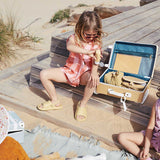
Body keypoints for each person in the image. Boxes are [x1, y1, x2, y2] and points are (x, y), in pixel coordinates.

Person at [37, 11, 104, 122]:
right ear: (80, 29)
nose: (91, 38)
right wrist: (87, 52)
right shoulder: (74, 38)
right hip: (70, 72)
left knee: (93, 79)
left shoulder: (96, 43)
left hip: (83, 74)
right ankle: (54, 101)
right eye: (88, 35)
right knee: (43, 74)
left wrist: (94, 72)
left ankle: (82, 104)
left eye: (94, 35)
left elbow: (96, 60)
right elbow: (70, 47)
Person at [118, 87, 160, 160]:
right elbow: (150, 127)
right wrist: (146, 148)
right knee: (122, 137)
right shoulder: (157, 104)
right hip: (154, 137)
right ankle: (145, 158)